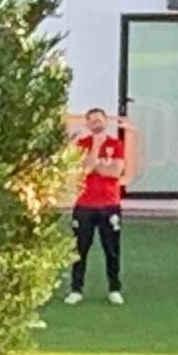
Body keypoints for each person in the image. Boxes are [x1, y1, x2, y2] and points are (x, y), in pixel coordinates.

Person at [68, 108, 126, 306]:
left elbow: (115, 171)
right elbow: (83, 170)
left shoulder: (116, 144)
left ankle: (114, 288)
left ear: (105, 121)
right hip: (84, 205)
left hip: (109, 204)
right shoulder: (82, 145)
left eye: (99, 120)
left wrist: (96, 167)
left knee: (112, 249)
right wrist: (95, 149)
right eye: (92, 121)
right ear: (87, 124)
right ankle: (76, 289)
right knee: (79, 249)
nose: (96, 124)